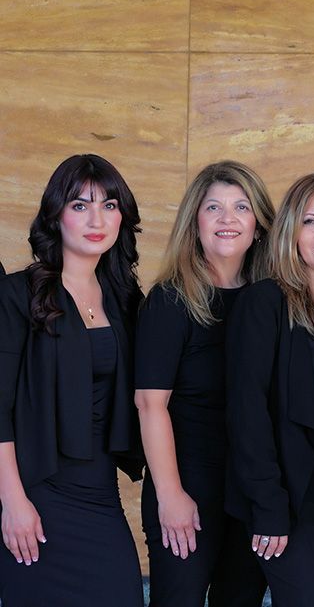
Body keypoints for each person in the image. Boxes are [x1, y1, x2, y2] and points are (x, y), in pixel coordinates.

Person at [0, 154, 144, 605]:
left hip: (100, 495)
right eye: (80, 205)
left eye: (109, 205)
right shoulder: (17, 294)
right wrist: (13, 503)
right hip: (35, 495)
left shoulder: (126, 299)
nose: (97, 220)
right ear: (55, 214)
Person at [135, 161, 274, 606]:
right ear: (194, 222)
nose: (227, 218)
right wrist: (170, 495)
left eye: (241, 207)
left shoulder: (273, 300)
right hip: (188, 483)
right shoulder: (171, 299)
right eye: (213, 207)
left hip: (250, 489)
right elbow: (150, 405)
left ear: (259, 224)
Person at [225, 173, 314, 607]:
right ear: (290, 230)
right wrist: (268, 505)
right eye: (310, 221)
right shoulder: (265, 301)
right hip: (287, 497)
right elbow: (247, 410)